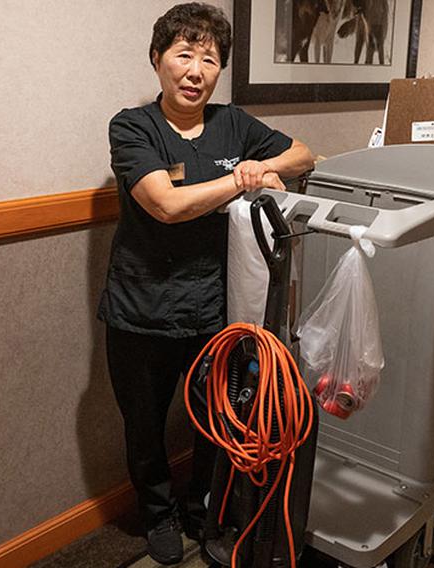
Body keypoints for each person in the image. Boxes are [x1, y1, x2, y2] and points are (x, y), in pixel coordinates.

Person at [96, 3, 315, 564]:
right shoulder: (132, 126)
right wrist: (240, 177)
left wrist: (267, 166)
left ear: (219, 71)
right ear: (158, 60)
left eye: (210, 59)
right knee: (144, 427)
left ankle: (203, 510)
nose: (196, 70)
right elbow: (166, 205)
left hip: (212, 308)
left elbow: (304, 154)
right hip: (140, 308)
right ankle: (158, 515)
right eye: (184, 54)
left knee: (216, 417)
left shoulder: (232, 122)